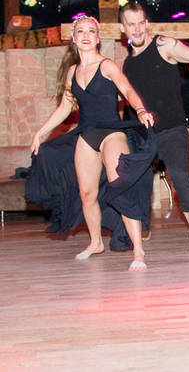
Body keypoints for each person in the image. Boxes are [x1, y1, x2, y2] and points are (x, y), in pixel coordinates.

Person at [29, 16, 155, 271]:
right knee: (87, 194)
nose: (86, 35)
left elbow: (127, 91)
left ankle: (138, 251)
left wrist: (141, 110)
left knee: (120, 187)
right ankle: (96, 242)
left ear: (98, 38)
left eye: (91, 31)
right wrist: (41, 132)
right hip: (86, 134)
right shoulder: (72, 72)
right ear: (74, 38)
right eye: (80, 31)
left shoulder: (107, 65)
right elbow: (66, 106)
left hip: (111, 132)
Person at [119, 3, 189, 254]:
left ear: (146, 23)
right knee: (137, 182)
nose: (137, 29)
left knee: (180, 175)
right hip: (140, 132)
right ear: (122, 28)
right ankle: (142, 228)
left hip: (171, 127)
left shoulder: (162, 45)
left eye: (141, 23)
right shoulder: (127, 64)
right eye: (131, 24)